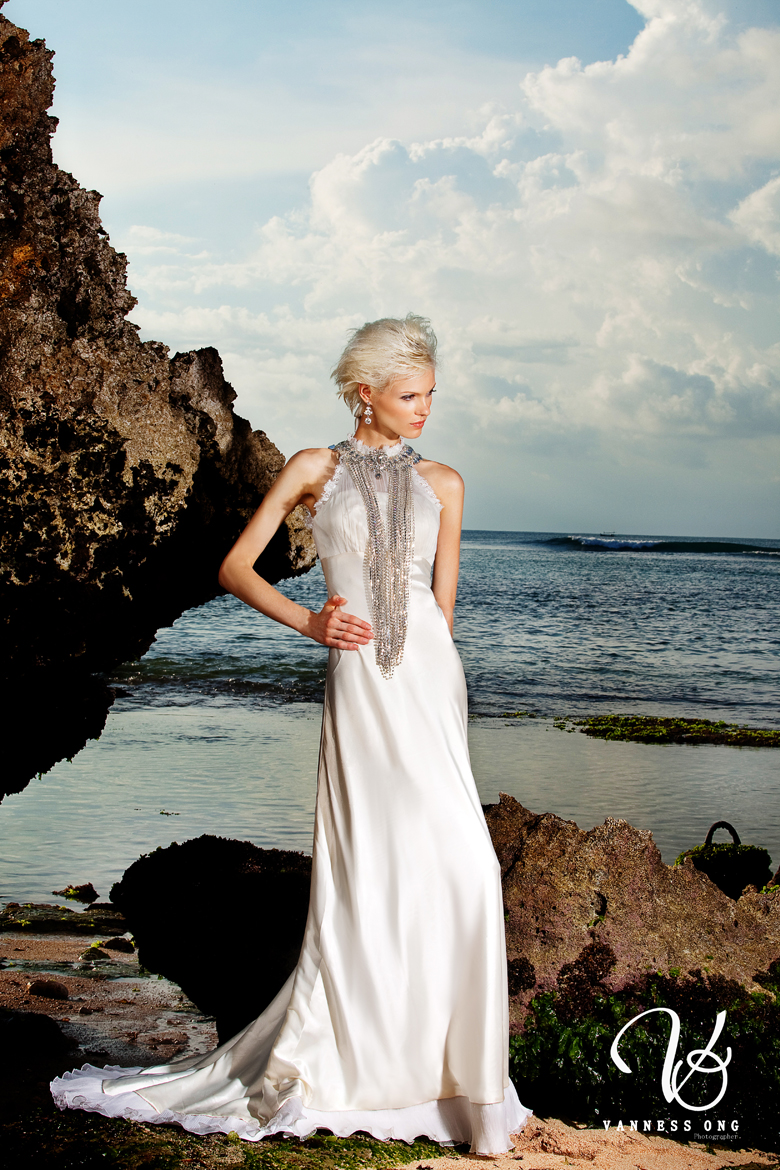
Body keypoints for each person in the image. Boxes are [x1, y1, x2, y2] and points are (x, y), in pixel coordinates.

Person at [51, 314, 531, 1154]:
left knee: (465, 868)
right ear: (365, 393)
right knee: (371, 870)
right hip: (359, 685)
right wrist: (310, 623)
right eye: (410, 395)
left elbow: (441, 610)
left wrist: (436, 685)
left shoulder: (446, 483)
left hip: (429, 684)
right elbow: (235, 567)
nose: (425, 409)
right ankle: (365, 1064)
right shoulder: (315, 468)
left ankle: (463, 1084)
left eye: (430, 395)